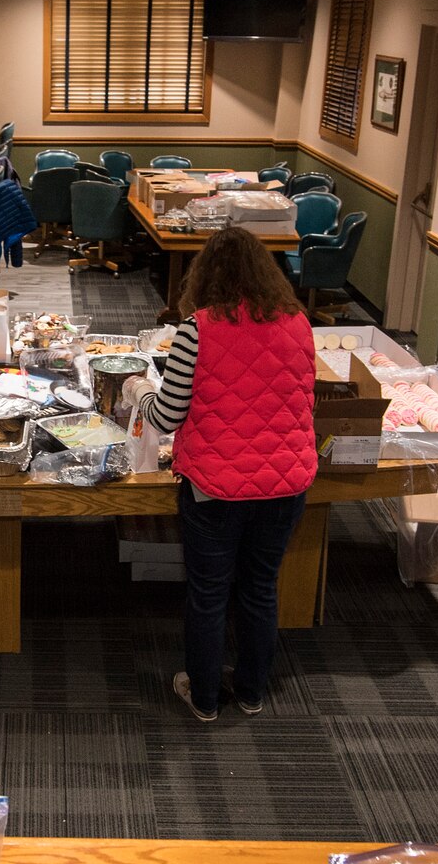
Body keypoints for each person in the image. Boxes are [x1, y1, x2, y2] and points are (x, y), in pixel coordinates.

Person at [125, 225, 318, 721]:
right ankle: (252, 693)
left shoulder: (197, 329)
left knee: (209, 594)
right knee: (259, 587)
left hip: (217, 487)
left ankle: (206, 697)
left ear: (205, 276)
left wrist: (137, 394)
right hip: (286, 482)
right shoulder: (298, 323)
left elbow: (166, 417)